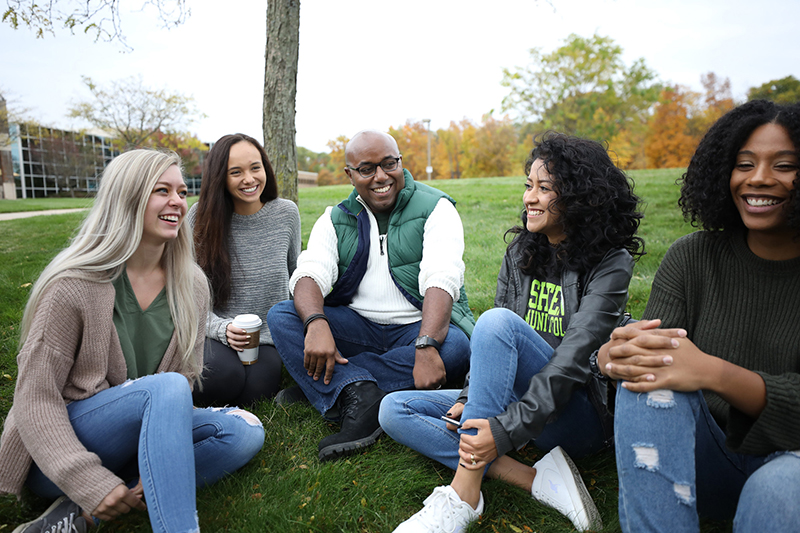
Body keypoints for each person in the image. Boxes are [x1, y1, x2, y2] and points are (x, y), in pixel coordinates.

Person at [383, 133, 645, 533]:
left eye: (544, 189)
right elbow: (493, 350)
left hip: (577, 415)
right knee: (395, 410)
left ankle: (464, 494)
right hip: (512, 401)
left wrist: (505, 428)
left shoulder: (611, 263)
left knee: (496, 322)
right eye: (528, 186)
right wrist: (472, 399)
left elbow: (575, 359)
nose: (529, 198)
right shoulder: (521, 252)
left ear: (578, 197)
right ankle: (536, 479)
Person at [0, 150, 265, 533]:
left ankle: (86, 513)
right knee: (167, 387)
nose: (177, 201)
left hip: (136, 442)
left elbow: (180, 383)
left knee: (244, 432)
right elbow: (35, 399)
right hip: (57, 453)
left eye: (180, 190)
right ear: (127, 198)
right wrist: (86, 478)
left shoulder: (190, 285)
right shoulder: (73, 285)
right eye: (162, 190)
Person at [599, 100, 800, 533]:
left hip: (792, 468)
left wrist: (714, 372)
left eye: (784, 165)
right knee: (647, 381)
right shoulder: (693, 256)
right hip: (707, 462)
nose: (759, 178)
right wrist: (614, 355)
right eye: (744, 164)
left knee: (777, 489)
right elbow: (654, 357)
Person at [267, 130, 474, 462]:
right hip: (357, 327)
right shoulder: (335, 218)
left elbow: (441, 277)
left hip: (416, 328)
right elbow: (309, 273)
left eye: (389, 164)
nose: (381, 176)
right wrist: (318, 323)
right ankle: (359, 392)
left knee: (455, 347)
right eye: (367, 169)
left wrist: (425, 345)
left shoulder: (436, 208)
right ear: (350, 175)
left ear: (400, 162)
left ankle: (337, 386)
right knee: (284, 315)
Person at [190, 133, 301, 407]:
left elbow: (294, 277)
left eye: (255, 168)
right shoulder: (199, 217)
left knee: (255, 392)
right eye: (235, 172)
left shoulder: (286, 213)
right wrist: (220, 328)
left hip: (265, 338)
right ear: (220, 178)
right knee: (221, 379)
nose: (249, 179)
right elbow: (187, 292)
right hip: (213, 331)